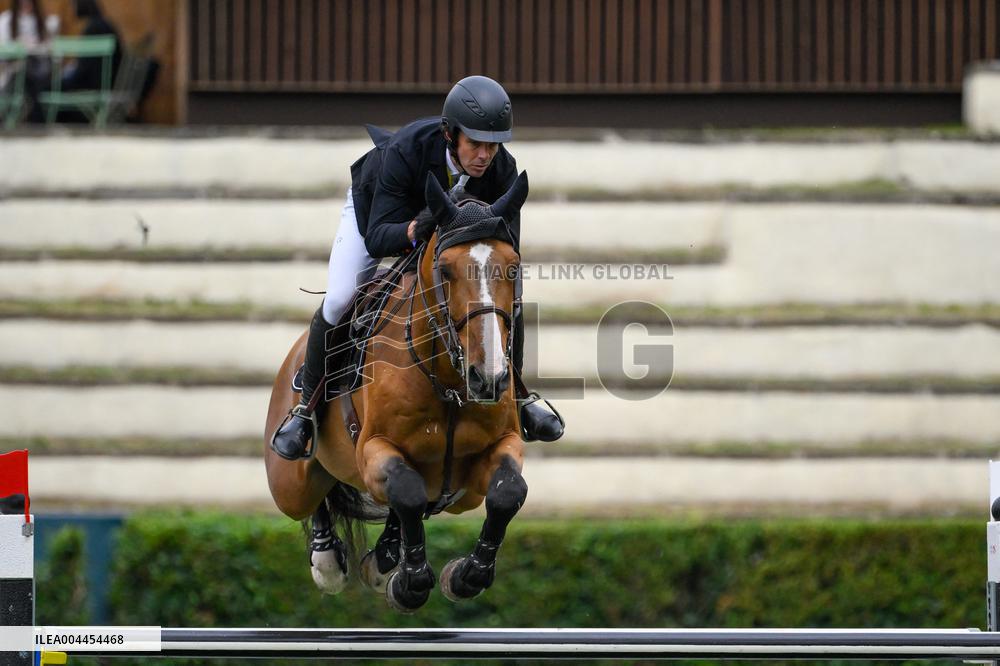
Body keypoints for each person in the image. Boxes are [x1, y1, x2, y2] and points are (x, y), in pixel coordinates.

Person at [271, 75, 565, 461]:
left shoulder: (502, 171)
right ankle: (305, 410)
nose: (484, 156)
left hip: (451, 242)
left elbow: (507, 254)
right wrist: (416, 229)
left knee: (507, 296)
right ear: (450, 134)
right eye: (475, 143)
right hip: (379, 215)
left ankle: (520, 398)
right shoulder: (407, 150)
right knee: (342, 296)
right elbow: (378, 237)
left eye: (492, 146)